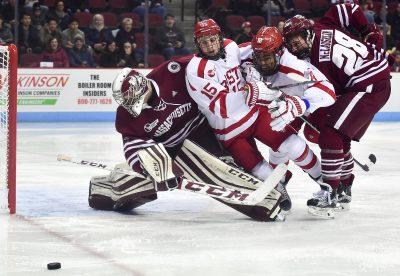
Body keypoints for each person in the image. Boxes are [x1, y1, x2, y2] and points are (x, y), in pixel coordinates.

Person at [89, 58, 284, 221]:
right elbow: (134, 146)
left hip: (203, 132)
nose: (128, 105)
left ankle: (266, 198)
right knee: (143, 183)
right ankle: (106, 188)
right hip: (168, 150)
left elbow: (210, 64)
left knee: (220, 168)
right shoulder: (126, 115)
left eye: (129, 98)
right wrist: (156, 167)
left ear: (140, 87)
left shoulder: (174, 71)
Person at [185, 19, 322, 211]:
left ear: (220, 36)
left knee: (293, 144)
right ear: (197, 43)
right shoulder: (195, 70)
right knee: (258, 168)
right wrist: (253, 91)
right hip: (229, 131)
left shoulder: (231, 47)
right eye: (204, 41)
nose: (210, 45)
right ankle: (278, 189)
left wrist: (277, 48)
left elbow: (257, 49)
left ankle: (325, 181)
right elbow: (221, 106)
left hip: (254, 114)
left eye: (213, 39)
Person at [282, 4, 391, 215]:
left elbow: (330, 95)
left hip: (369, 85)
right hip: (372, 79)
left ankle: (330, 192)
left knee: (331, 133)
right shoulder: (323, 25)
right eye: (292, 43)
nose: (296, 47)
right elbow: (347, 7)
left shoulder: (317, 64)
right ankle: (344, 188)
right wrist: (368, 31)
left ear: (307, 33)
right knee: (336, 136)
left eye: (298, 40)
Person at [240, 26, 336, 213]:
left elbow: (329, 91)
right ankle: (280, 186)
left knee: (290, 145)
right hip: (274, 107)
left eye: (267, 57)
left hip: (294, 106)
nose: (262, 63)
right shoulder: (247, 52)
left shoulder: (296, 67)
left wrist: (302, 104)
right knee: (278, 147)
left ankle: (327, 185)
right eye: (258, 57)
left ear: (279, 52)